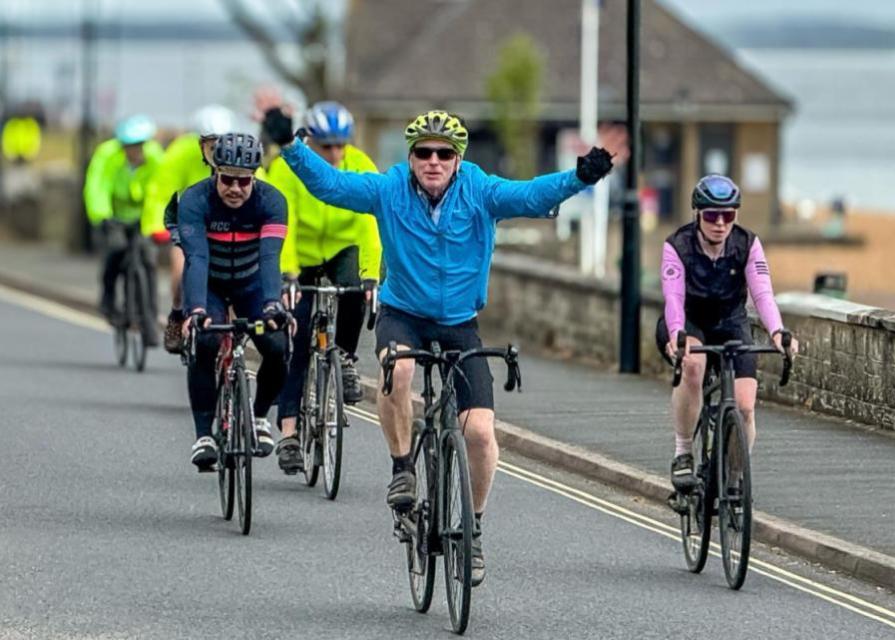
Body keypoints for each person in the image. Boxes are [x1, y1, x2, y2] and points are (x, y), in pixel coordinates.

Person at [262, 107, 613, 585]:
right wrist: (292, 148)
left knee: (481, 432)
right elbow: (331, 186)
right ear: (410, 157)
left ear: (457, 158)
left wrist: (581, 176)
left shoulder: (480, 191)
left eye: (443, 153)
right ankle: (402, 466)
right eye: (423, 153)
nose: (433, 161)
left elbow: (532, 195)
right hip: (402, 313)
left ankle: (474, 529)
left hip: (459, 322)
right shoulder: (388, 190)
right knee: (399, 371)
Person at [656, 175, 798, 493]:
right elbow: (674, 299)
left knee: (745, 406)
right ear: (698, 214)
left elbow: (762, 294)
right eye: (711, 215)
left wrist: (777, 331)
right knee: (693, 366)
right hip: (688, 322)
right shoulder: (677, 245)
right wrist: (677, 335)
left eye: (728, 215)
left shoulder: (747, 244)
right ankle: (682, 453)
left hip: (731, 321)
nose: (720, 223)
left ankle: (735, 476)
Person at [268, 101, 382, 474]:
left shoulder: (360, 164)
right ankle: (288, 433)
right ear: (310, 142)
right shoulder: (288, 168)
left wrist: (370, 275)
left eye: (339, 145)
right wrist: (287, 274)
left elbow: (371, 222)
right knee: (297, 338)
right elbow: (282, 223)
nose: (334, 153)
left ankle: (345, 359)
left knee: (354, 293)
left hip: (341, 248)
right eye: (325, 146)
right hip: (300, 252)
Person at [178, 132, 289, 470]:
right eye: (227, 180)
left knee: (276, 345)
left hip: (251, 284)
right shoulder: (195, 200)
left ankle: (258, 417)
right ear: (215, 172)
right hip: (209, 284)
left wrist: (273, 303)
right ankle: (203, 434)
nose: (236, 189)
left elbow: (270, 259)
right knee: (206, 339)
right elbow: (196, 258)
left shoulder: (272, 201)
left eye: (244, 181)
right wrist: (196, 309)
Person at [142, 104, 239, 353]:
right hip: (190, 227)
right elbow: (161, 190)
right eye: (211, 144)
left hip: (229, 227)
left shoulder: (240, 153)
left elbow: (261, 187)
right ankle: (176, 315)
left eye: (222, 142)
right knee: (180, 274)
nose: (218, 151)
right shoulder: (181, 153)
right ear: (199, 143)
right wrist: (155, 225)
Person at [83, 114, 165, 344]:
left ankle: (148, 317)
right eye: (129, 146)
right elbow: (97, 185)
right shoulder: (107, 155)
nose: (134, 151)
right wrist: (102, 216)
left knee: (148, 259)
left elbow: (160, 192)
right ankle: (108, 298)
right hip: (114, 216)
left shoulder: (156, 157)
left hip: (144, 216)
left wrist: (158, 223)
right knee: (116, 249)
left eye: (139, 145)